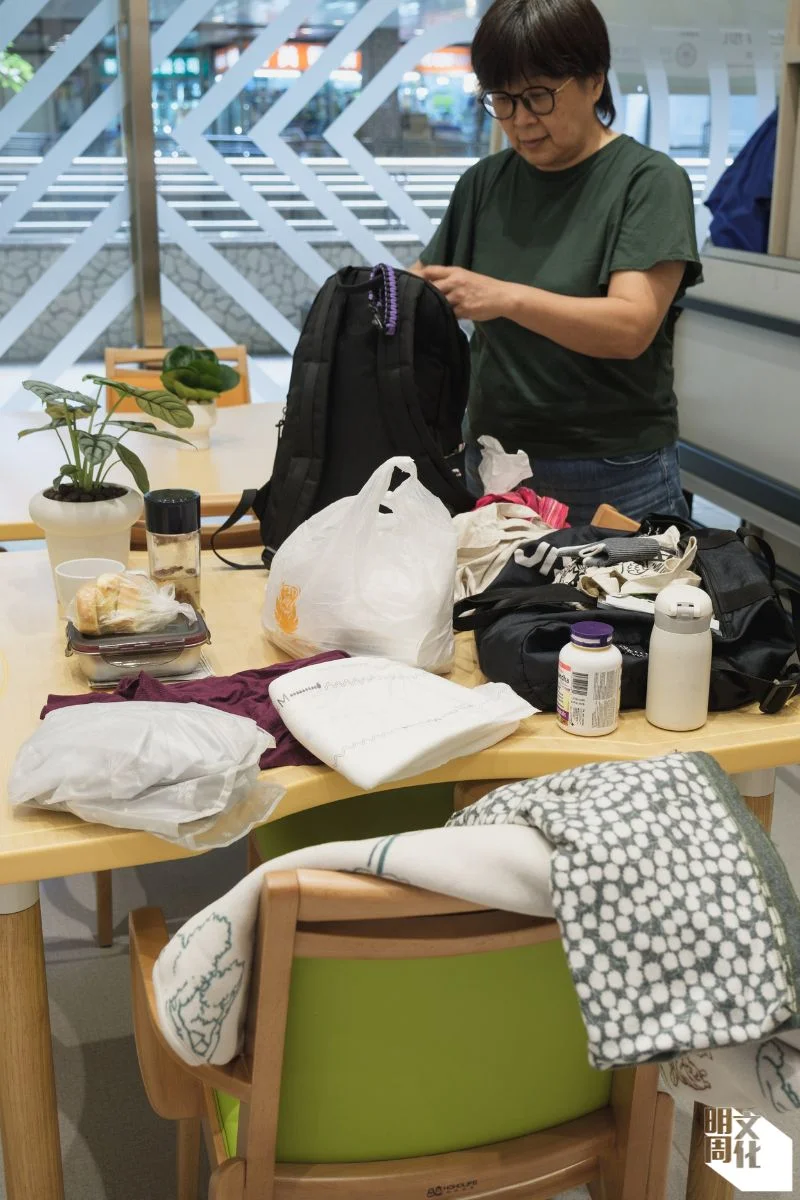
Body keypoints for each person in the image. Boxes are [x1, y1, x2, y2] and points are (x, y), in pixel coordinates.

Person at [411, 0, 702, 524]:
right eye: (503, 99)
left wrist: (505, 298)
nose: (521, 120)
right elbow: (427, 286)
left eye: (539, 96)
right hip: (495, 463)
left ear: (594, 81)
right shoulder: (484, 183)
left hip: (613, 471)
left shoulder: (648, 182)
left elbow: (629, 327)